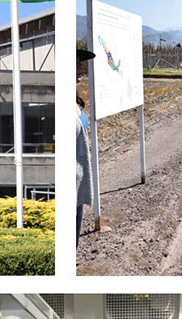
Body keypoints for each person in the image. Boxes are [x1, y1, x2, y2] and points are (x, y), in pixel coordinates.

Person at [76, 47, 96, 242]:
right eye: (75, 63)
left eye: (80, 63)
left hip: (79, 186)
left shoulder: (76, 102)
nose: (80, 68)